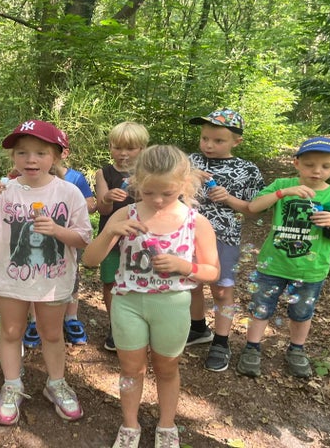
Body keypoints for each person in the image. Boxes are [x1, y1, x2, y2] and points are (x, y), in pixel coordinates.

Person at [83, 144, 219, 448]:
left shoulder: (195, 222)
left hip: (172, 305)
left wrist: (185, 266)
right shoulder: (125, 214)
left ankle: (167, 426)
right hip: (128, 303)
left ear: (184, 184)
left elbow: (212, 271)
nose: (157, 200)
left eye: (167, 193)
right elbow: (90, 260)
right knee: (131, 369)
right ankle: (129, 426)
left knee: (167, 368)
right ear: (136, 183)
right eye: (148, 192)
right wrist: (111, 231)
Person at [0, 120, 92, 426]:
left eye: (40, 153)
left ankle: (56, 383)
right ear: (13, 157)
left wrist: (57, 230)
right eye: (22, 153)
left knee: (52, 333)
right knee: (11, 332)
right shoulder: (4, 192)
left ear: (57, 156)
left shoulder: (69, 192)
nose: (30, 160)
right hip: (11, 279)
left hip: (53, 280)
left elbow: (83, 238)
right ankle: (12, 384)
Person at [237, 136, 330, 378]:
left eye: (326, 166)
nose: (317, 171)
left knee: (301, 313)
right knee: (260, 308)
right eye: (309, 165)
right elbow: (254, 207)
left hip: (311, 270)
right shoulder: (282, 185)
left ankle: (296, 349)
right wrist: (282, 193)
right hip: (273, 265)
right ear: (296, 163)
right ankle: (252, 347)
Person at [186, 108, 264, 372]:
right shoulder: (190, 161)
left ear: (236, 141)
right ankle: (198, 328)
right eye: (204, 138)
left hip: (224, 237)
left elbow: (255, 209)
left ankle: (221, 342)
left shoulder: (248, 169)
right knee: (192, 283)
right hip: (187, 234)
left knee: (221, 290)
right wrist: (188, 176)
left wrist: (228, 199)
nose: (209, 145)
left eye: (218, 140)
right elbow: (168, 187)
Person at [24, 147, 97, 347]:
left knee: (71, 277)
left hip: (67, 238)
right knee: (33, 275)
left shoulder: (75, 178)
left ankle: (71, 318)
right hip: (35, 239)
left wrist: (72, 201)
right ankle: (34, 320)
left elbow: (91, 205)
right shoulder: (27, 177)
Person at [94, 121, 149, 351]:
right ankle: (116, 326)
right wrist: (107, 198)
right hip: (111, 238)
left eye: (130, 148)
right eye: (117, 147)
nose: (123, 153)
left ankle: (140, 325)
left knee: (140, 279)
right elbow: (102, 209)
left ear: (142, 149)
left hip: (141, 238)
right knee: (111, 281)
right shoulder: (103, 173)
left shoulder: (149, 172)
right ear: (110, 147)